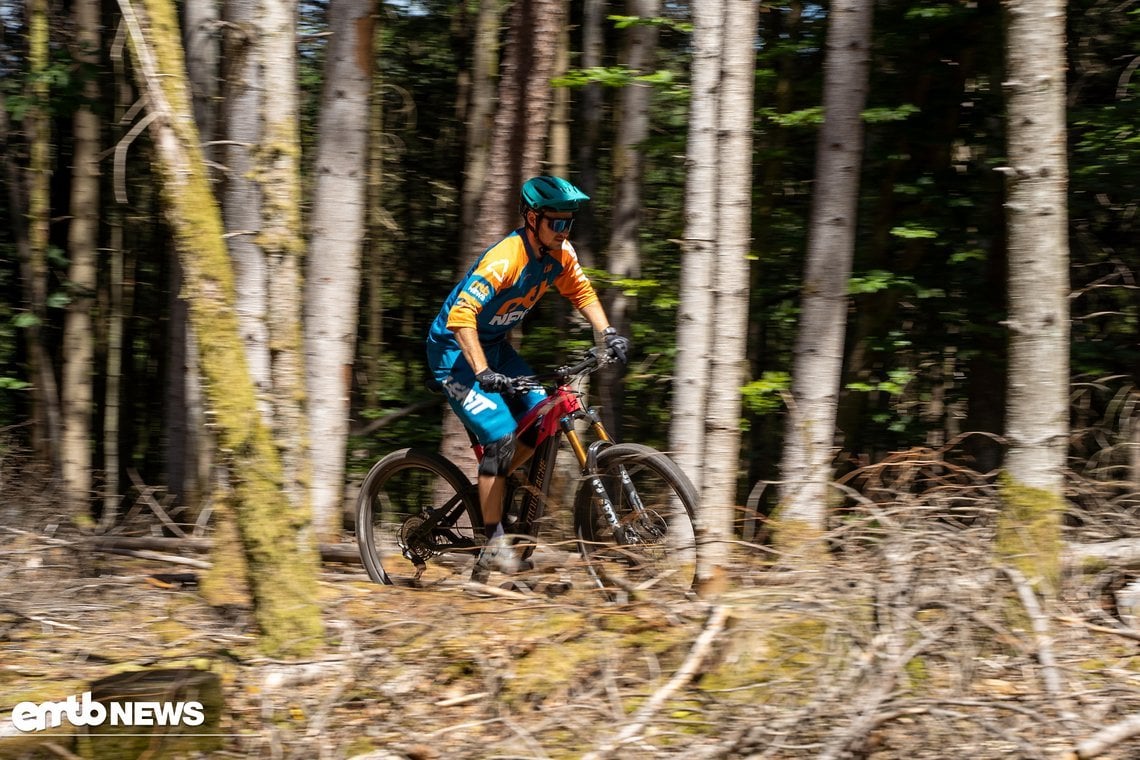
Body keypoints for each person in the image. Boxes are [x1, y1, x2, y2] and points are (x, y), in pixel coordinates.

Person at [426, 176, 631, 581]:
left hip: (496, 346)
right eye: (556, 223)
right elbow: (461, 316)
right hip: (454, 353)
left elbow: (582, 293)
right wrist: (482, 372)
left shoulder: (560, 254)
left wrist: (607, 333)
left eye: (568, 223)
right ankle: (492, 543)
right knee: (501, 439)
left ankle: (495, 480)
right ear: (532, 218)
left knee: (542, 417)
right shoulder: (505, 259)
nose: (563, 231)